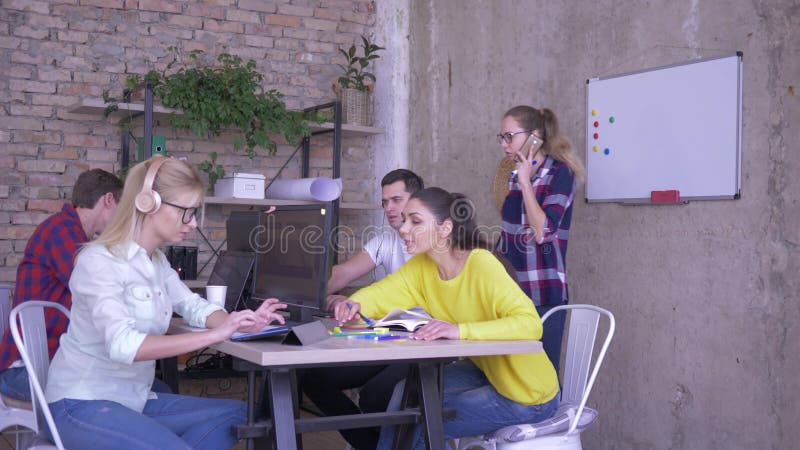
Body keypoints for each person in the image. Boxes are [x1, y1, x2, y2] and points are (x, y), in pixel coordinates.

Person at [44, 156, 287, 449]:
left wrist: (239, 322)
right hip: (80, 402)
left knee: (239, 416)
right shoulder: (98, 261)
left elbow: (193, 306)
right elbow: (124, 346)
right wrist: (214, 336)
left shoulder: (156, 262)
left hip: (134, 400)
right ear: (149, 202)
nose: (194, 223)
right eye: (187, 212)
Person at [334, 187, 560, 449]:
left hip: (527, 395)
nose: (404, 229)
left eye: (415, 221)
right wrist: (353, 304)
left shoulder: (480, 264)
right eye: (405, 220)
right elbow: (381, 294)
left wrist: (459, 330)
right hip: (487, 371)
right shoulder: (422, 267)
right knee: (404, 395)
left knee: (422, 423)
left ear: (445, 228)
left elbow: (531, 325)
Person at [301, 169, 423, 450]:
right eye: (384, 202)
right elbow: (342, 274)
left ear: (417, 200)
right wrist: (313, 293)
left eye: (396, 200)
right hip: (386, 338)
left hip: (420, 343)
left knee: (375, 395)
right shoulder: (385, 240)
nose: (389, 208)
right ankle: (371, 445)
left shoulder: (432, 244)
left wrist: (355, 304)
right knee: (313, 378)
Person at [0, 168, 123, 403]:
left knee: (142, 389)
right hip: (23, 371)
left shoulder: (73, 235)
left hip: (50, 364)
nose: (121, 220)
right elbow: (97, 287)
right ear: (108, 200)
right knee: (124, 394)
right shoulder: (61, 231)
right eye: (121, 210)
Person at [495, 105, 584, 374]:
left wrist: (525, 184)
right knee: (512, 374)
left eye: (510, 136)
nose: (504, 145)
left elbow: (543, 233)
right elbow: (511, 236)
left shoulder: (561, 174)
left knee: (543, 376)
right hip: (513, 293)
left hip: (545, 294)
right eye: (502, 138)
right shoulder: (515, 175)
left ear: (534, 136)